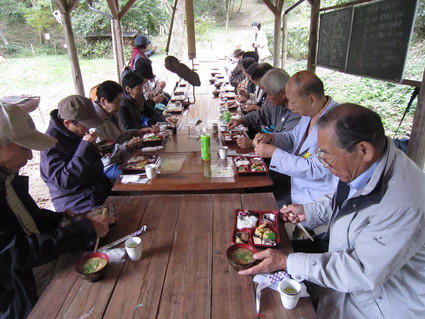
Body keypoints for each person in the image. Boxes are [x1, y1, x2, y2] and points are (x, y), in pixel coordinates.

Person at [240, 103, 425, 319]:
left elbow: (360, 270)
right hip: (345, 290)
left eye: (327, 155)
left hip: (381, 307)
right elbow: (345, 199)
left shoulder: (403, 202)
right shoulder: (366, 165)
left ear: (364, 149)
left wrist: (287, 261)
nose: (324, 163)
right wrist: (310, 210)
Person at [0, 103, 113, 319]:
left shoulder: (8, 177)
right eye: (24, 147)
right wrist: (84, 229)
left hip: (38, 265)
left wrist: (62, 218)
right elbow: (18, 252)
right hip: (21, 289)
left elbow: (28, 219)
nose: (31, 157)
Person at [253, 70, 339, 206]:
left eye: (292, 102)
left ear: (310, 99)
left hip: (317, 200)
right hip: (299, 190)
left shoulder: (336, 123)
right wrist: (272, 138)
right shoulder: (309, 113)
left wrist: (274, 153)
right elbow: (294, 137)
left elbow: (315, 168)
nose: (290, 107)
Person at [40, 95, 111, 213]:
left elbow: (80, 160)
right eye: (85, 124)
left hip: (96, 191)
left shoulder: (74, 133)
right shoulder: (51, 143)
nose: (88, 128)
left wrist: (96, 151)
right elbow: (64, 180)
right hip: (77, 201)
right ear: (67, 123)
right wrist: (85, 147)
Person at [92, 80, 154, 180]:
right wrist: (127, 146)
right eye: (117, 101)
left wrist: (136, 132)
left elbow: (119, 135)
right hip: (109, 165)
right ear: (103, 101)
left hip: (122, 157)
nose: (120, 105)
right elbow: (104, 153)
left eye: (121, 100)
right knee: (140, 177)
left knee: (151, 161)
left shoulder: (111, 112)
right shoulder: (94, 122)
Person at [228, 68, 301, 149]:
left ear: (282, 93)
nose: (268, 98)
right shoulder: (278, 105)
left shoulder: (298, 112)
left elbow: (286, 143)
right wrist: (242, 120)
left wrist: (252, 143)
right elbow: (262, 114)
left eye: (269, 94)